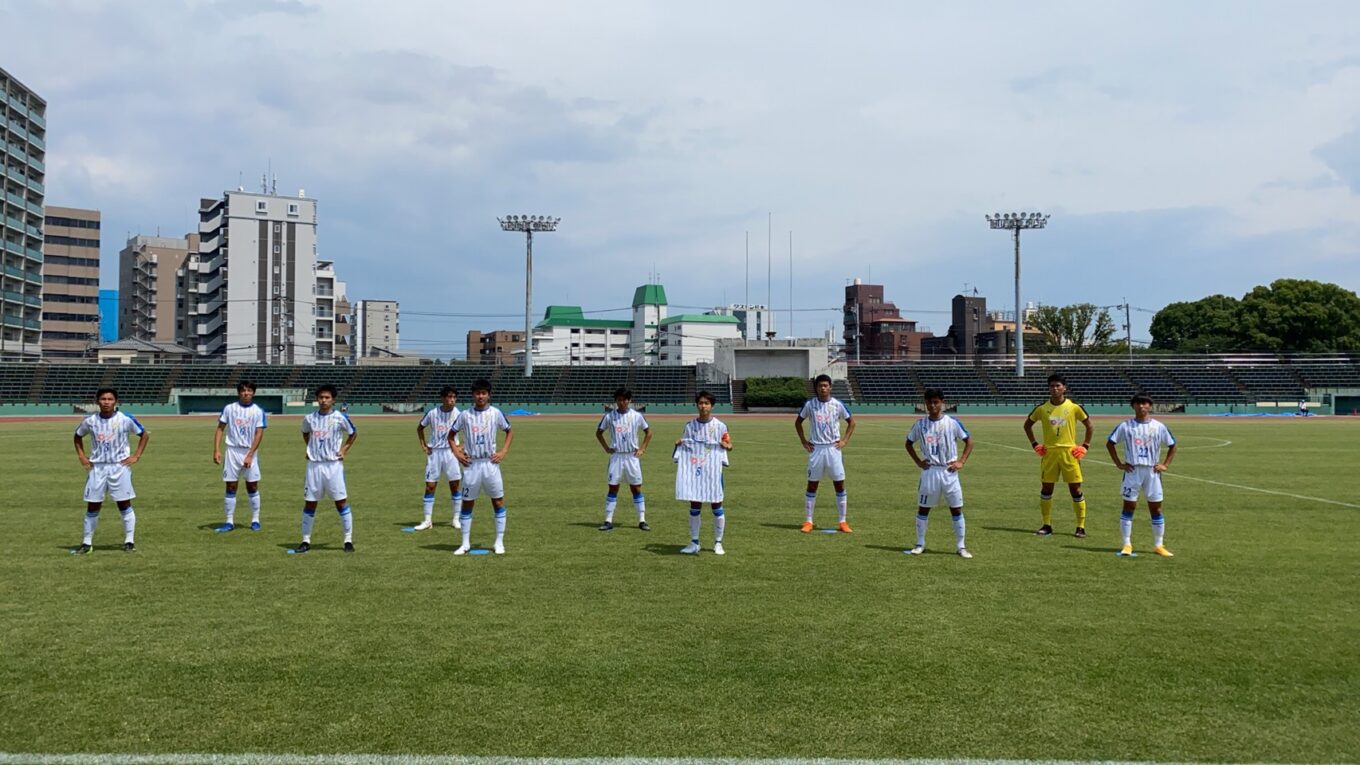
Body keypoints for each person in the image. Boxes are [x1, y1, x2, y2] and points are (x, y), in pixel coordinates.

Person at [72, 388, 149, 554]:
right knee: (93, 505)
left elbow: (144, 435)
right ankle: (86, 543)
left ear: (116, 401)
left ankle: (129, 541)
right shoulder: (90, 421)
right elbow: (77, 436)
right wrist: (82, 456)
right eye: (103, 399)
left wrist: (136, 455)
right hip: (97, 467)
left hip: (119, 466)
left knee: (124, 503)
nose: (106, 402)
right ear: (97, 401)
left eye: (110, 399)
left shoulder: (125, 419)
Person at [904, 389, 974, 558]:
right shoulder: (920, 424)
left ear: (942, 402)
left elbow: (969, 441)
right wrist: (919, 462)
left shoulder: (952, 423)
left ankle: (961, 546)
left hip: (949, 471)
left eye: (935, 402)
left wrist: (961, 461)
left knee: (956, 509)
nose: (932, 405)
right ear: (925, 403)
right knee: (923, 509)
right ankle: (920, 543)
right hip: (930, 472)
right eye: (929, 402)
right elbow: (908, 443)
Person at [1106, 394, 1178, 557]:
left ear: (1150, 406)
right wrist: (1119, 463)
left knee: (1156, 508)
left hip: (1153, 471)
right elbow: (1110, 443)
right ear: (1133, 406)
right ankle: (1127, 544)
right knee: (1129, 506)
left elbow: (1172, 445)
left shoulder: (1159, 426)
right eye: (1138, 404)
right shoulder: (1126, 426)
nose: (1141, 406)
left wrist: (1165, 464)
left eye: (1145, 403)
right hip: (1133, 471)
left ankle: (1159, 545)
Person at [1023, 373, 1094, 537]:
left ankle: (1080, 527)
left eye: (1058, 386)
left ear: (1064, 388)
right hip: (1049, 453)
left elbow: (1090, 426)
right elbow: (1027, 426)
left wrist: (1085, 446)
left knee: (1075, 489)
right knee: (1046, 488)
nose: (1054, 389)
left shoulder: (1074, 407)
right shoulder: (1042, 408)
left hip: (1070, 453)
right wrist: (1035, 444)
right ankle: (1046, 525)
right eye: (1052, 386)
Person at [451, 378, 513, 555]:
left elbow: (509, 431)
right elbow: (451, 435)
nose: (480, 396)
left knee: (498, 501)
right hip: (471, 465)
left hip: (490, 464)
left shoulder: (495, 413)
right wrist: (457, 453)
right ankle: (465, 543)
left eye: (484, 393)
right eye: (477, 393)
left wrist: (503, 451)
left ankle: (499, 542)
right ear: (473, 395)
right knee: (467, 503)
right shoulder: (464, 415)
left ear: (488, 395)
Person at [295, 384, 357, 554]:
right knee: (310, 502)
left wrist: (343, 450)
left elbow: (353, 433)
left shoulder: (340, 417)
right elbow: (305, 432)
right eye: (321, 397)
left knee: (340, 502)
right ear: (317, 399)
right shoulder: (309, 418)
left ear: (333, 400)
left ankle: (348, 540)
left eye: (327, 397)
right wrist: (310, 448)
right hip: (314, 466)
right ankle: (305, 540)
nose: (324, 400)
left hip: (333, 466)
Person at [795, 374, 856, 533]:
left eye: (825, 385)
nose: (823, 388)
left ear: (830, 387)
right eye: (820, 385)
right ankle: (808, 521)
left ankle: (842, 522)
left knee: (839, 484)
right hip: (816, 449)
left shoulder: (837, 405)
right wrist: (803, 440)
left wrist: (844, 441)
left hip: (833, 449)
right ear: (816, 387)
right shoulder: (810, 405)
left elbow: (851, 422)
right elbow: (798, 422)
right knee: (812, 484)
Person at [674, 390, 733, 555]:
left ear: (712, 406)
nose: (703, 406)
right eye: (700, 403)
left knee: (716, 505)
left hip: (713, 471)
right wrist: (679, 443)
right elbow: (684, 444)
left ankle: (718, 542)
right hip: (695, 472)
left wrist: (725, 445)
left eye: (706, 403)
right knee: (694, 505)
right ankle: (694, 542)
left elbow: (729, 444)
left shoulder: (720, 426)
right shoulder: (690, 426)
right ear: (697, 405)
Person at [212, 381, 267, 532]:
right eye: (243, 391)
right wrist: (216, 450)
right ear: (238, 393)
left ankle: (255, 519)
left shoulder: (258, 411)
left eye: (249, 391)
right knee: (230, 485)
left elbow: (259, 434)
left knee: (252, 485)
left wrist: (250, 455)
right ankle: (229, 521)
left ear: (253, 393)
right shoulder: (229, 409)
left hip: (250, 452)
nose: (246, 393)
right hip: (232, 451)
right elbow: (220, 429)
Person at [596, 387, 653, 531]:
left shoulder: (636, 416)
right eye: (619, 400)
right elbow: (599, 433)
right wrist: (607, 448)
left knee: (636, 488)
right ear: (616, 401)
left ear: (629, 400)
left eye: (624, 400)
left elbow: (648, 432)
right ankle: (608, 520)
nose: (622, 402)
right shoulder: (609, 417)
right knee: (613, 487)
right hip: (617, 456)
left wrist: (642, 449)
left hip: (631, 457)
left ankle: (642, 520)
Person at [411, 386, 462, 531]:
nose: (451, 400)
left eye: (454, 397)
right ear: (443, 398)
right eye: (449, 397)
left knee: (454, 485)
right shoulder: (433, 413)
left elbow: (469, 429)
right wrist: (424, 445)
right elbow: (420, 428)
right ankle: (427, 520)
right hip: (435, 453)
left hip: (451, 453)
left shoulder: (459, 414)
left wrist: (462, 446)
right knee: (430, 486)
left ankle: (456, 519)